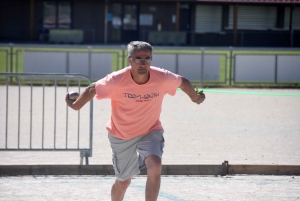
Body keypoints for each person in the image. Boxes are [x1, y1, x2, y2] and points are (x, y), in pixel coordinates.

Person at [65, 41, 205, 201]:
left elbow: (183, 82)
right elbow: (92, 89)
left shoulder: (161, 77)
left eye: (147, 58)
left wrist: (196, 98)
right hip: (121, 134)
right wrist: (76, 106)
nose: (143, 63)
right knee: (123, 182)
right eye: (138, 58)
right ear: (129, 59)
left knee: (155, 165)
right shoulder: (116, 80)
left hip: (150, 130)